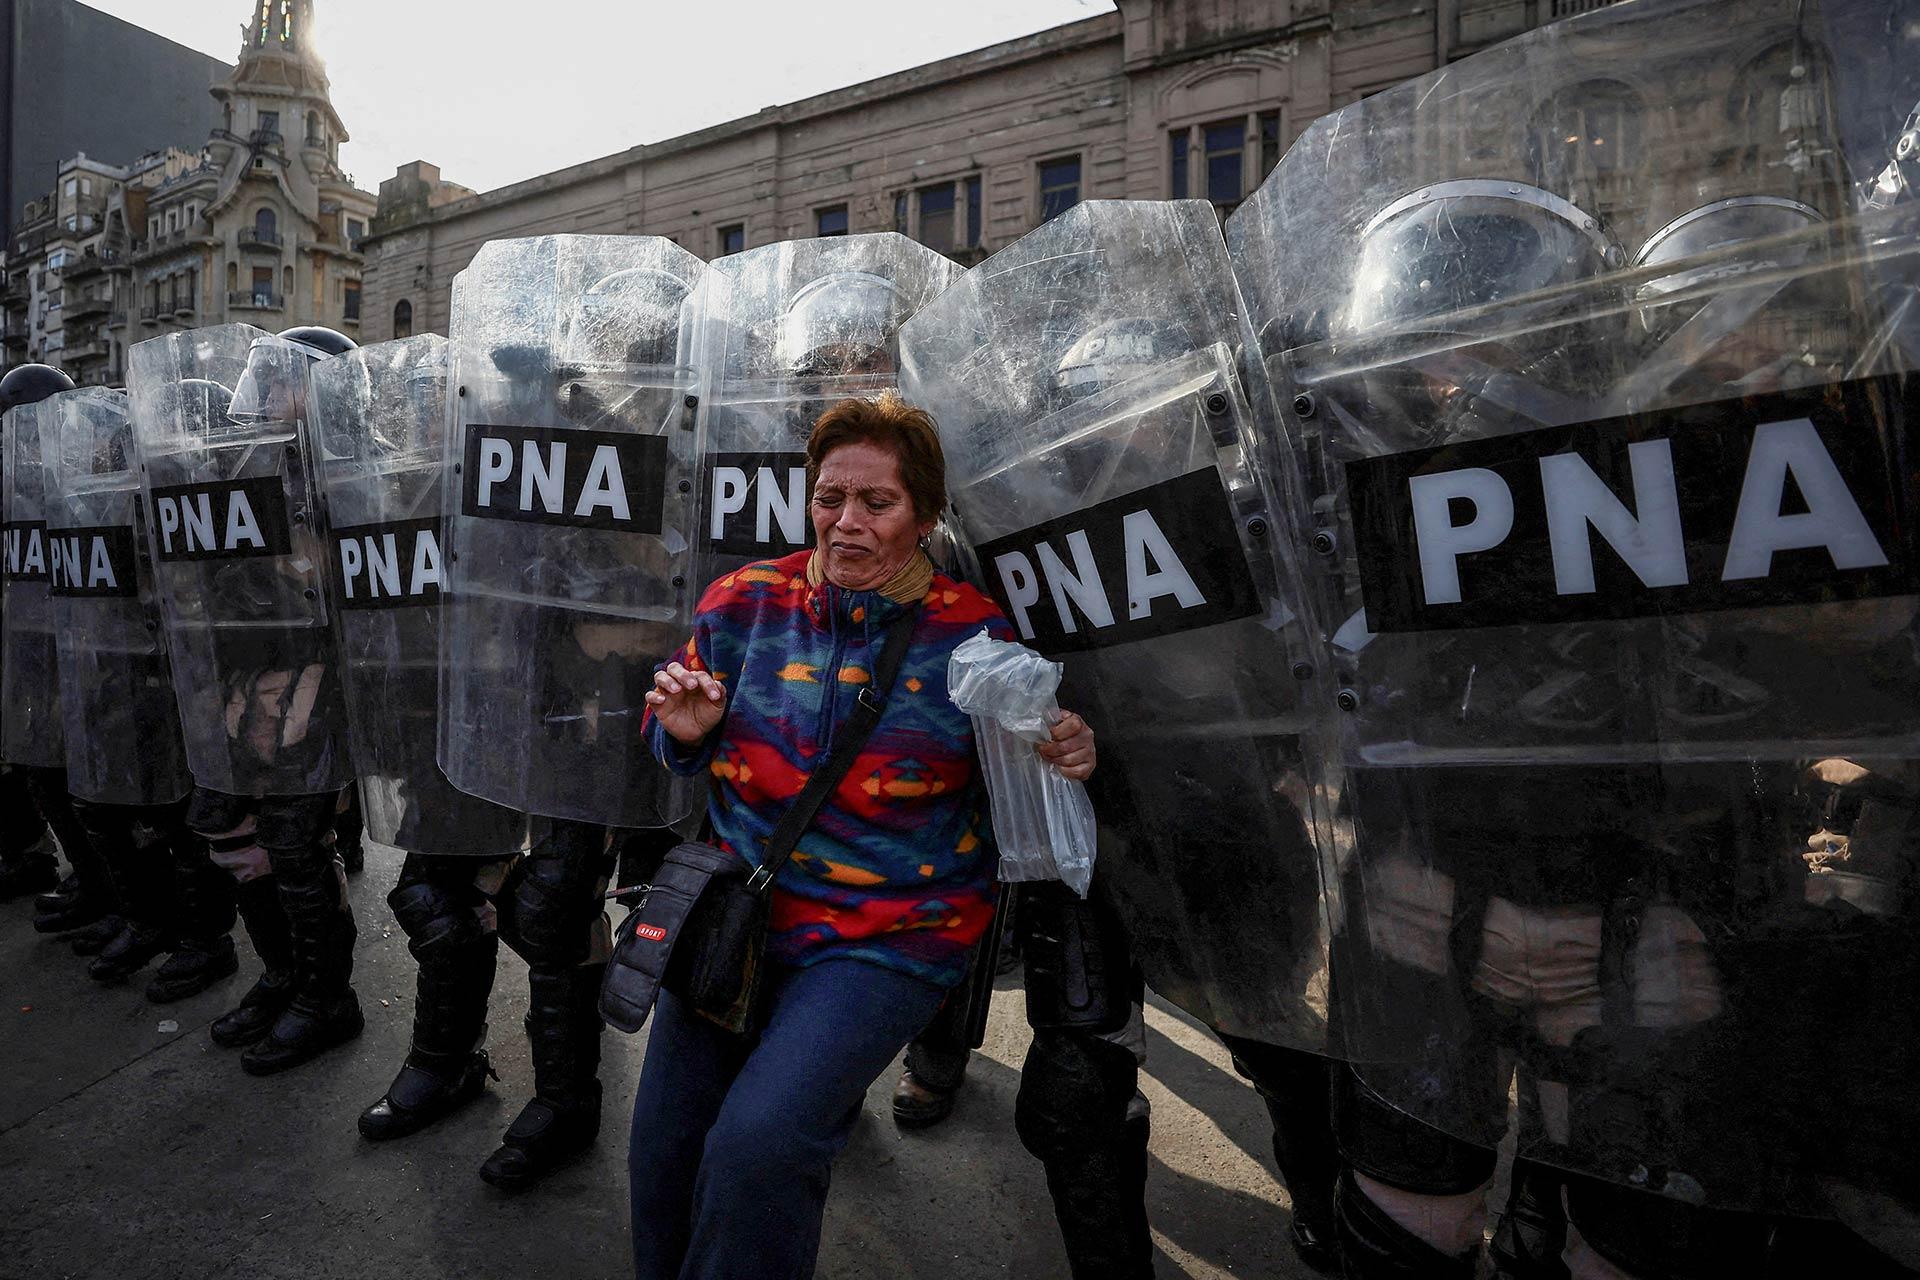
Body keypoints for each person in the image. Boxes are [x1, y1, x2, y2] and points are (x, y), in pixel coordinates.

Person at [627, 391, 1097, 1280]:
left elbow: (1027, 787)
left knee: (759, 1148)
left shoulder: (975, 635)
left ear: (923, 516)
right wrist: (682, 730)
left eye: (876, 504)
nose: (846, 524)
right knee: (663, 1156)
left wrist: (1064, 751)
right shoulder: (741, 603)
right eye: (829, 499)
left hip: (890, 937)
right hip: (738, 918)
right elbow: (671, 744)